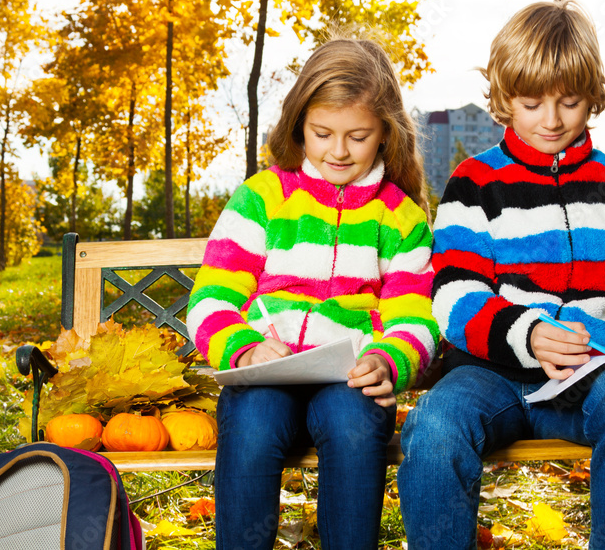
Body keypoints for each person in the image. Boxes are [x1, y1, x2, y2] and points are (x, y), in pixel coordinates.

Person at [397, 0, 605, 550]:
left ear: (593, 99)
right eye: (531, 103)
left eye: (570, 102)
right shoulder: (473, 184)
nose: (551, 120)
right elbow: (454, 292)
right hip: (493, 375)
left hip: (597, 372)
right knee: (435, 423)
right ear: (505, 100)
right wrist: (526, 334)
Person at [186, 35, 438, 550]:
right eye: (322, 133)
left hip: (350, 378)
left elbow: (415, 315)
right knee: (253, 427)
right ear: (299, 123)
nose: (338, 151)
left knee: (351, 428)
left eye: (358, 136)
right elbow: (211, 297)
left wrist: (391, 361)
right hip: (265, 373)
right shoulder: (263, 198)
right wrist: (244, 346)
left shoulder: (399, 217)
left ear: (386, 134)